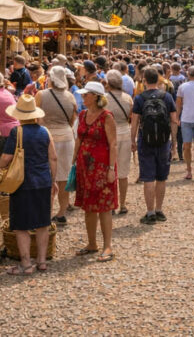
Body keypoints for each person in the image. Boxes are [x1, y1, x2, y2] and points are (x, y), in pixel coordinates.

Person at [0, 95, 57, 275]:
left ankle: (26, 263)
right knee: (42, 223)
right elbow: (53, 158)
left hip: (21, 182)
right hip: (43, 181)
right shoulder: (45, 132)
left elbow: (7, 157)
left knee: (21, 225)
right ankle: (42, 261)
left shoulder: (17, 132)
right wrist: (53, 181)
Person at [73, 81, 118, 262]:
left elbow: (113, 144)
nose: (83, 97)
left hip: (101, 166)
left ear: (96, 97)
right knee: (88, 206)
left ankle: (108, 245)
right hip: (85, 166)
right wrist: (73, 159)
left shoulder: (107, 117)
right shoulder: (83, 114)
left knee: (104, 207)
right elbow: (78, 139)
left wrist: (111, 169)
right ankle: (92, 243)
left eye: (86, 95)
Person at [131, 67, 179, 224]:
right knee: (161, 177)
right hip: (164, 141)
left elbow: (135, 122)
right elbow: (174, 120)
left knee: (148, 178)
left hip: (146, 141)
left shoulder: (139, 99)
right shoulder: (166, 97)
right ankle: (159, 209)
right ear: (158, 80)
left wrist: (133, 140)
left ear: (144, 80)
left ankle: (150, 212)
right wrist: (174, 143)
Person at [36, 66, 78, 224]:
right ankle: (61, 211)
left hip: (46, 136)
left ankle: (46, 210)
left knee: (46, 174)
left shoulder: (41, 95)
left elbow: (36, 116)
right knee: (63, 177)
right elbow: (72, 119)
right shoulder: (70, 96)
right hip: (67, 138)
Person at [104, 70, 134, 215]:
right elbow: (130, 116)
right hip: (125, 133)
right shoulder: (128, 98)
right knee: (123, 172)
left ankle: (111, 203)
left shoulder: (103, 99)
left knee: (109, 169)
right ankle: (122, 203)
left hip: (108, 135)